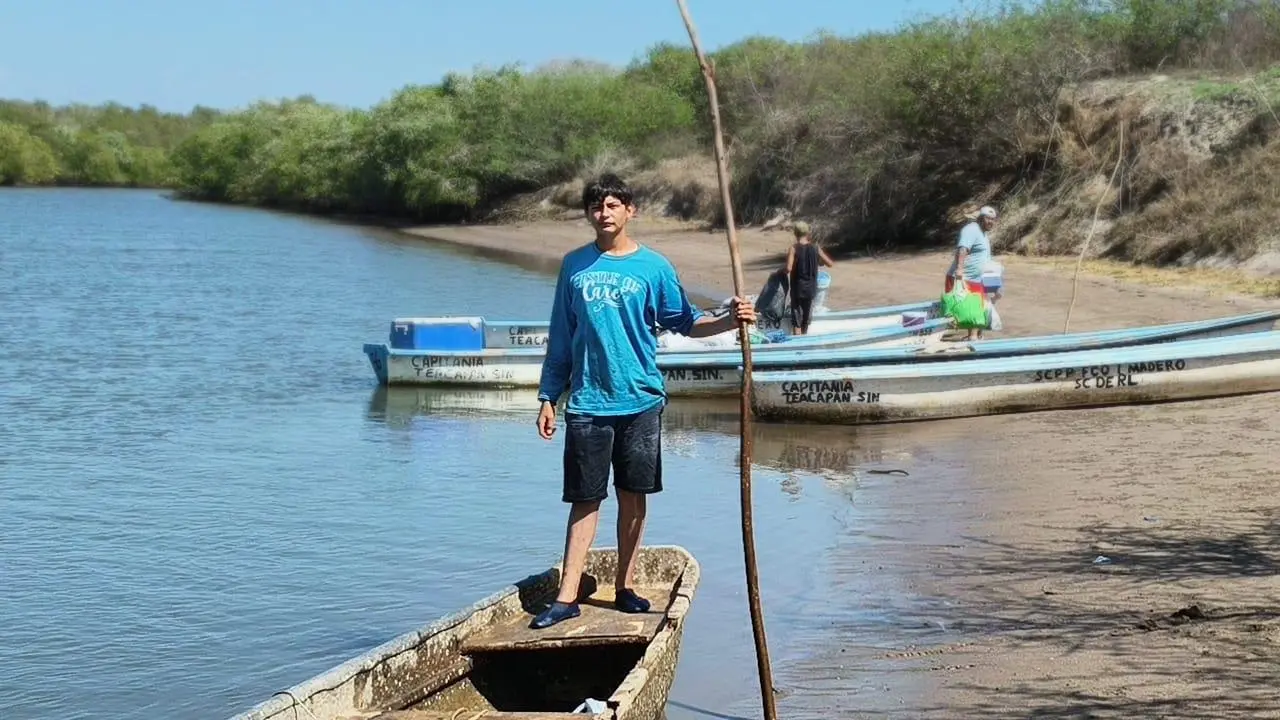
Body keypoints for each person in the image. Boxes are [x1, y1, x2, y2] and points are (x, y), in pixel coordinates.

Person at [531, 173, 757, 630]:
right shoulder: (574, 267)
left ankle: (625, 586)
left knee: (633, 496)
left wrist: (732, 320)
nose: (605, 213)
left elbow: (687, 322)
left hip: (640, 401)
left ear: (630, 210)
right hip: (589, 403)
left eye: (613, 205)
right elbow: (561, 336)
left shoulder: (653, 268)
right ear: (588, 214)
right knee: (584, 499)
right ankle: (567, 595)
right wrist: (548, 396)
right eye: (597, 206)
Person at [946, 205, 998, 340]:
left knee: (983, 304)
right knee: (971, 307)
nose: (991, 222)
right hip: (965, 277)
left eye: (993, 219)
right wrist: (959, 270)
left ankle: (976, 335)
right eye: (988, 218)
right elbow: (963, 250)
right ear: (981, 218)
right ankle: (972, 336)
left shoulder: (983, 233)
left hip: (979, 277)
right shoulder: (971, 230)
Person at [783, 221, 834, 335]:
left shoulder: (793, 248)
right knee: (806, 320)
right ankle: (805, 341)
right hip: (811, 289)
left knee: (797, 322)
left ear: (795, 233)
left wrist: (779, 272)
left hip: (797, 289)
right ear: (807, 233)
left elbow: (788, 268)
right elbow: (830, 263)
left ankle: (798, 345)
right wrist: (818, 261)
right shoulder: (815, 248)